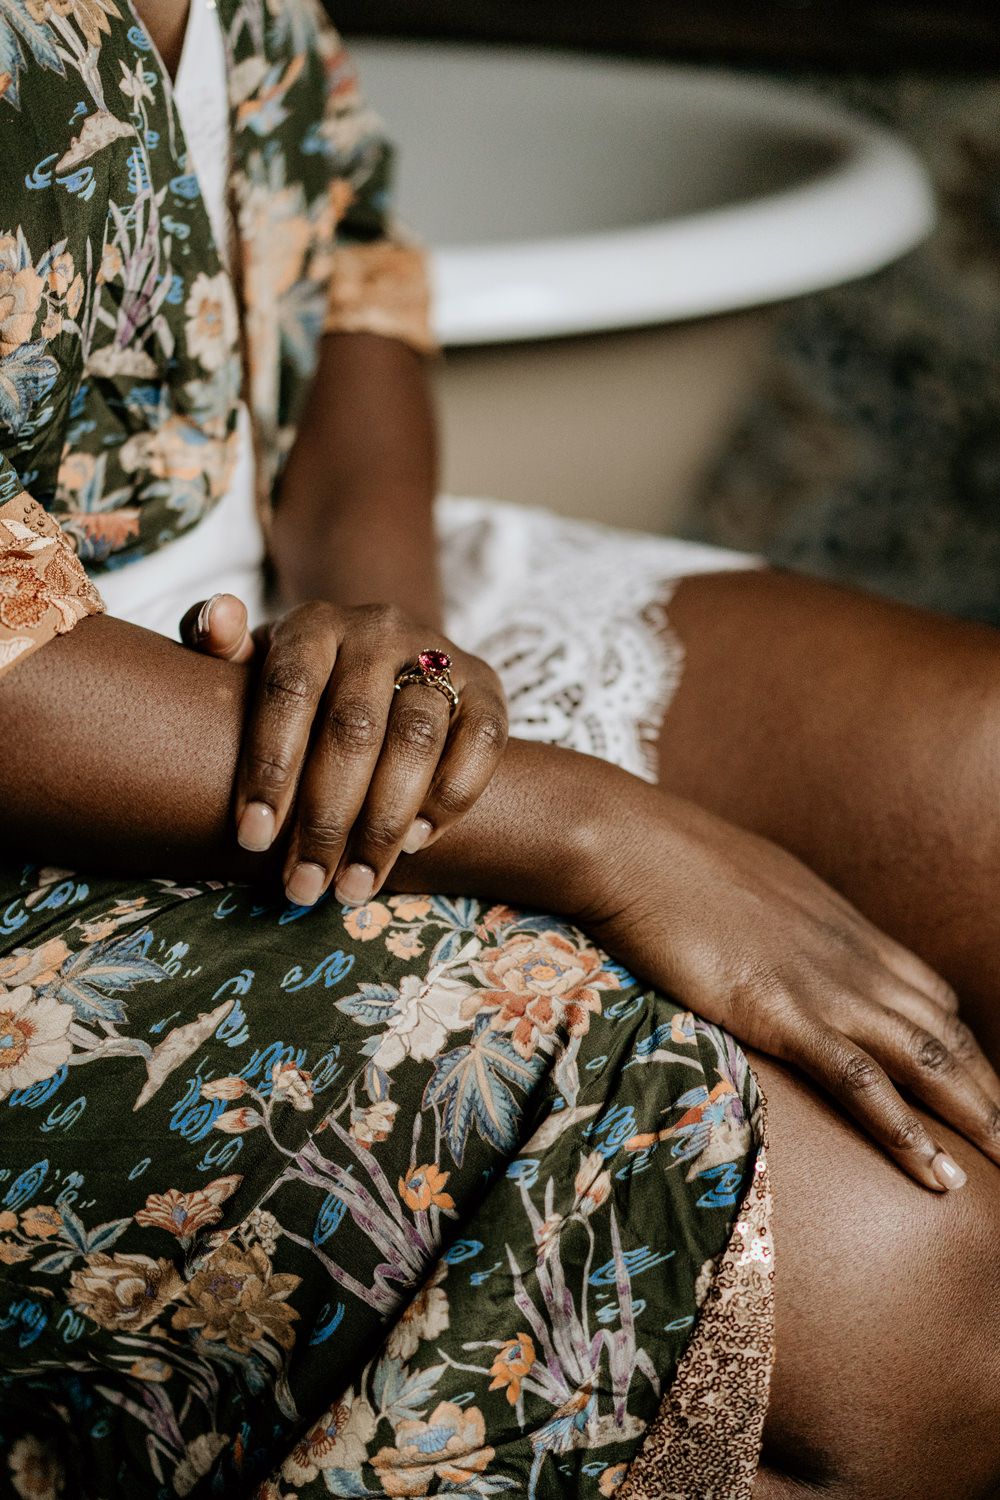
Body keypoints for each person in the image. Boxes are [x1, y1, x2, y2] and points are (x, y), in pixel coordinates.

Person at [1, 3, 998, 1497]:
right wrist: (596, 829)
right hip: (53, 761)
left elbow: (349, 275)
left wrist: (387, 642)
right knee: (918, 1301)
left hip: (268, 595)